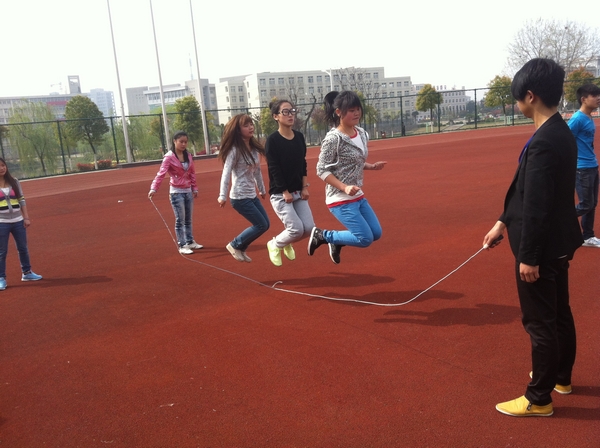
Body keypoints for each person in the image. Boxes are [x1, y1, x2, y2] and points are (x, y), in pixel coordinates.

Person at [483, 58, 583, 417]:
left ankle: (538, 397)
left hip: (541, 247)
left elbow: (538, 205)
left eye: (517, 98)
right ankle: (560, 378)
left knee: (540, 322)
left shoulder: (544, 142)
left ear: (530, 96)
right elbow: (528, 192)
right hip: (558, 242)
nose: (517, 105)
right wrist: (502, 222)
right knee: (559, 314)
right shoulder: (560, 131)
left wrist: (529, 257)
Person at [308, 90, 387, 264]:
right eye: (351, 110)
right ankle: (323, 236)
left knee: (376, 233)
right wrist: (344, 187)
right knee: (365, 238)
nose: (356, 113)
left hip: (357, 195)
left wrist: (371, 166)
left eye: (358, 109)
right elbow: (321, 170)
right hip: (339, 198)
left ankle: (336, 241)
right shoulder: (333, 139)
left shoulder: (362, 133)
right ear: (339, 112)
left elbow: (354, 162)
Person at [265, 99, 315, 267]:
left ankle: (285, 242)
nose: (290, 115)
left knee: (309, 228)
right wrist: (284, 191)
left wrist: (304, 187)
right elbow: (274, 168)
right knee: (296, 229)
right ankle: (275, 244)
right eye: (285, 112)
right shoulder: (272, 140)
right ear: (276, 116)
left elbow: (303, 163)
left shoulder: (299, 137)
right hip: (281, 194)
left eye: (292, 111)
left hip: (298, 191)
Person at [218, 114, 269, 262]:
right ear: (238, 130)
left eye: (251, 124)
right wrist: (222, 195)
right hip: (239, 196)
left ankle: (241, 247)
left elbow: (257, 171)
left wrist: (262, 189)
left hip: (251, 195)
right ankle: (235, 244)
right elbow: (226, 172)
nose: (250, 127)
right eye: (246, 126)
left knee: (266, 224)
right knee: (260, 225)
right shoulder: (234, 150)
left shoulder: (253, 149)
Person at [149, 131, 203, 255]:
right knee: (180, 220)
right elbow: (161, 174)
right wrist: (154, 188)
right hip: (176, 192)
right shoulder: (169, 157)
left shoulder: (188, 155)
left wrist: (194, 188)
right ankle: (182, 244)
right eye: (181, 142)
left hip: (188, 191)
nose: (183, 144)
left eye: (185, 142)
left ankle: (190, 241)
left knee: (188, 219)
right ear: (174, 141)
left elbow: (192, 173)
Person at [0, 157, 42, 290]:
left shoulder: (14, 181)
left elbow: (21, 199)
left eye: (3, 165)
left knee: (23, 248)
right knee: (2, 251)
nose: (1, 168)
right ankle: (1, 278)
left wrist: (26, 217)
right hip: (2, 223)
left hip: (18, 221)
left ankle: (27, 272)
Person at [568, 83, 600, 247]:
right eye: (594, 95)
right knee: (586, 204)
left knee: (591, 204)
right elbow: (565, 139)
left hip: (592, 166)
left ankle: (588, 236)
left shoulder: (589, 117)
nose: (598, 98)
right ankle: (557, 220)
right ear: (583, 99)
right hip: (582, 168)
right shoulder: (577, 119)